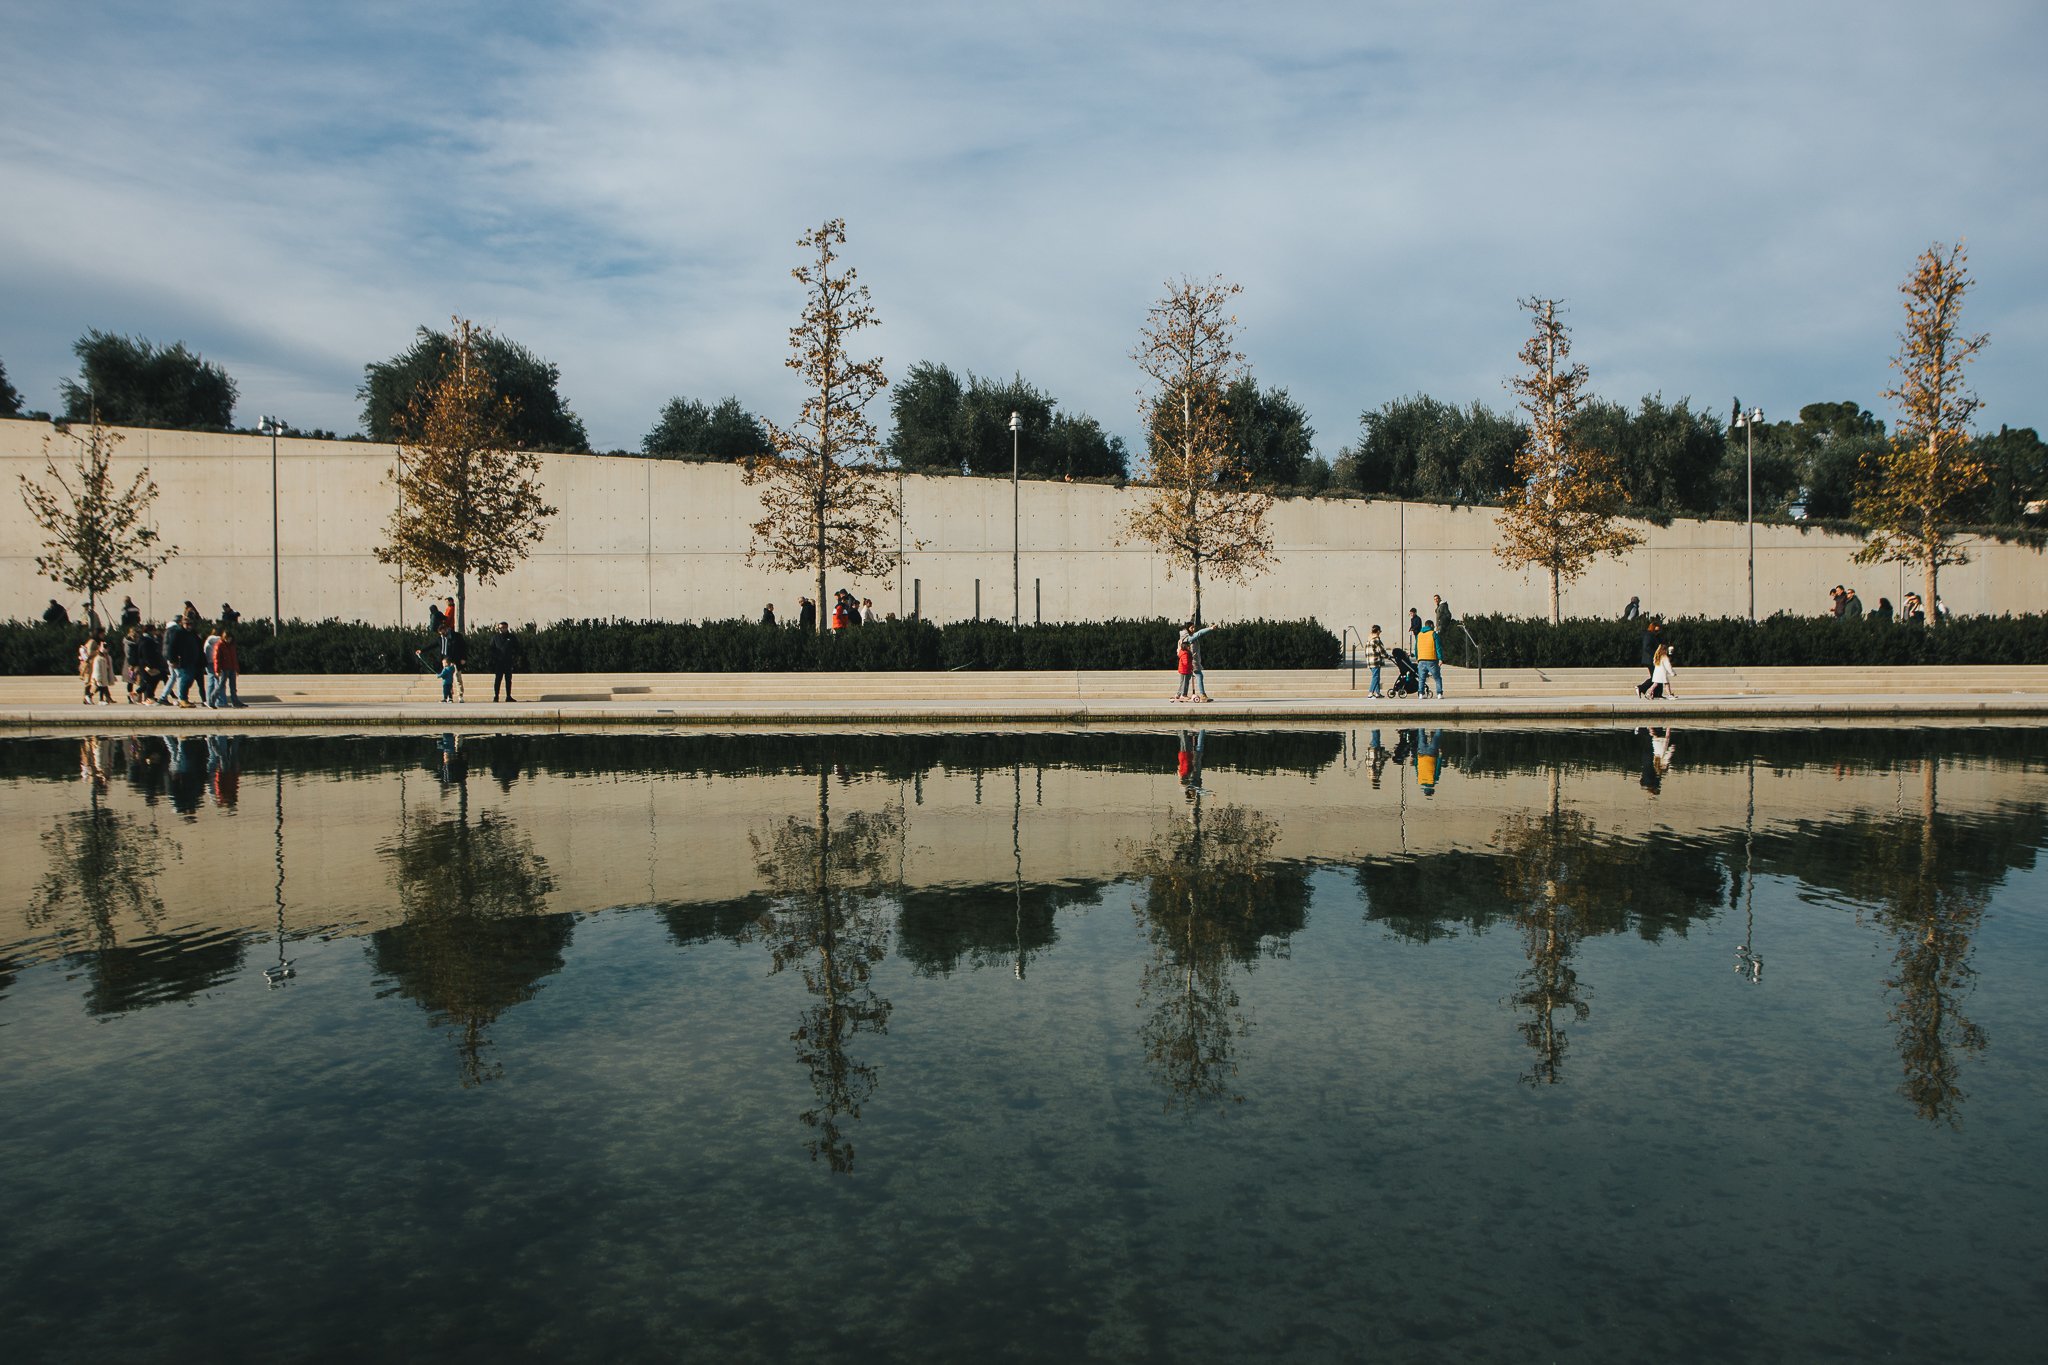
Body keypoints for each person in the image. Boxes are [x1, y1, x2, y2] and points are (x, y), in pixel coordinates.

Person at [1181, 620, 1217, 702]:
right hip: (1193, 661)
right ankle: (1202, 695)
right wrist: (1210, 628)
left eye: (1194, 627)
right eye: (1191, 627)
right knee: (1199, 676)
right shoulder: (1189, 638)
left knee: (1187, 678)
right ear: (1187, 629)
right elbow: (1200, 633)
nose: (1193, 629)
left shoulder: (1190, 637)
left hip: (1194, 660)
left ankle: (1183, 694)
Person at [488, 621, 519, 702]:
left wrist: (514, 658)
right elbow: (491, 649)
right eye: (500, 628)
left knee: (508, 680)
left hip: (508, 662)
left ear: (507, 628)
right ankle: (496, 696)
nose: (502, 629)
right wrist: (495, 658)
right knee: (498, 679)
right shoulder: (495, 637)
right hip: (499, 663)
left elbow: (517, 648)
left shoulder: (511, 637)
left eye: (504, 628)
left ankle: (508, 696)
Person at [1415, 614, 1442, 698]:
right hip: (1431, 659)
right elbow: (1438, 647)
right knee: (1437, 677)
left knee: (1421, 678)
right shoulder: (1434, 634)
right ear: (1431, 625)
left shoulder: (1419, 635)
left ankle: (1420, 694)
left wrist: (1417, 658)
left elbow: (1416, 648)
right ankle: (1439, 693)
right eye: (1433, 625)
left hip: (1421, 659)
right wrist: (1440, 658)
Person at [1636, 619, 1663, 697]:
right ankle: (1641, 687)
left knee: (1658, 676)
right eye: (1657, 628)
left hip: (1654, 659)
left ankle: (1657, 694)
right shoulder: (1648, 635)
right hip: (1650, 660)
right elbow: (1646, 647)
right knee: (1656, 677)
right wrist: (1655, 654)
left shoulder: (1654, 635)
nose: (1658, 630)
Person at [1366, 624, 1390, 698]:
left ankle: (1377, 693)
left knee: (1377, 677)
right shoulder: (1376, 639)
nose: (1380, 633)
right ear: (1378, 631)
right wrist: (1387, 656)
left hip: (1369, 661)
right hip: (1375, 661)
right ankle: (1370, 692)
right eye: (1380, 631)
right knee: (1376, 677)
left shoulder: (1369, 639)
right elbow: (1381, 650)